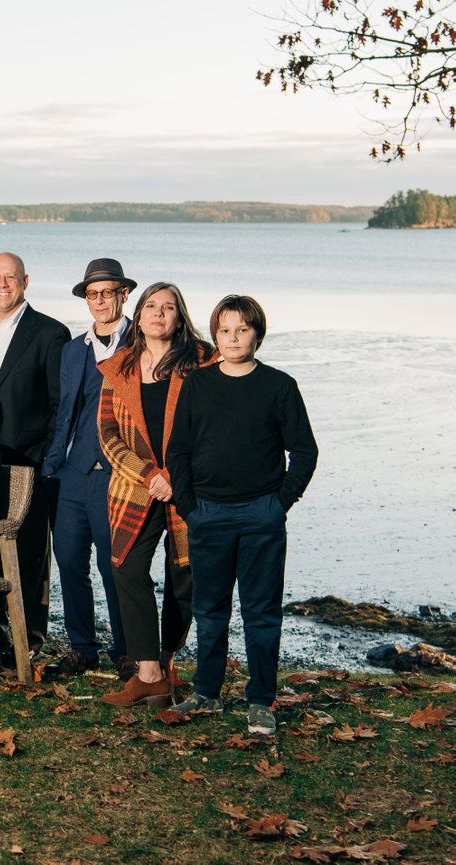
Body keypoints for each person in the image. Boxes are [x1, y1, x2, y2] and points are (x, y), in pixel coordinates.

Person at [168, 295, 318, 736]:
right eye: (225, 330)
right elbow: (178, 450)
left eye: (242, 330)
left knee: (262, 612)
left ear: (257, 333)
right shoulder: (197, 384)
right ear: (214, 336)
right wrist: (189, 506)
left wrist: (281, 501)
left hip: (261, 515)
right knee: (210, 609)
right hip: (207, 514)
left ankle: (260, 700)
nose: (233, 338)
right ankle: (208, 692)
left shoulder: (279, 386)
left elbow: (304, 451)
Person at [96, 282, 216, 709]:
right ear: (140, 314)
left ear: (179, 316)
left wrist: (176, 476)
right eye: (151, 306)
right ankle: (147, 671)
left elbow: (214, 427)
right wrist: (149, 474)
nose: (159, 313)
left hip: (190, 487)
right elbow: (108, 435)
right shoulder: (119, 366)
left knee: (185, 575)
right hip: (135, 487)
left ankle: (165, 663)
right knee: (126, 568)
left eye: (168, 307)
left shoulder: (204, 361)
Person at [0, 253, 69, 654]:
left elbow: (60, 404)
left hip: (30, 458)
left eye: (11, 277)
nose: (3, 284)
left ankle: (32, 637)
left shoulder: (49, 333)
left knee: (31, 549)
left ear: (25, 280)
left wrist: (47, 459)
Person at [40, 259, 136, 681]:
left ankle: (128, 649)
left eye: (107, 292)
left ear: (123, 294)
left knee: (116, 566)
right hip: (71, 474)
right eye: (92, 294)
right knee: (69, 562)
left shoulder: (142, 342)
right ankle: (83, 648)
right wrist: (52, 466)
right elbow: (66, 412)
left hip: (120, 473)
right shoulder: (73, 348)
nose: (99, 301)